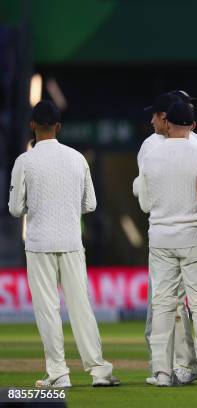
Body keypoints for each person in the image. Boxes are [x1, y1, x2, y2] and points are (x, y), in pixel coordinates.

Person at [8, 100, 119, 388]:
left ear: (32, 125)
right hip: (71, 241)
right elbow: (91, 204)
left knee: (48, 309)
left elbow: (15, 209)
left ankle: (59, 374)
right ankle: (99, 372)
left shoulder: (25, 161)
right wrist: (66, 209)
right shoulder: (77, 158)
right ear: (58, 126)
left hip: (39, 243)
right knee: (81, 306)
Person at [137, 102, 197, 387]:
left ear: (167, 124)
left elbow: (145, 202)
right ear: (192, 126)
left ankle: (162, 372)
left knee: (163, 304)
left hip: (161, 238)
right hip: (195, 236)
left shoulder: (151, 155)